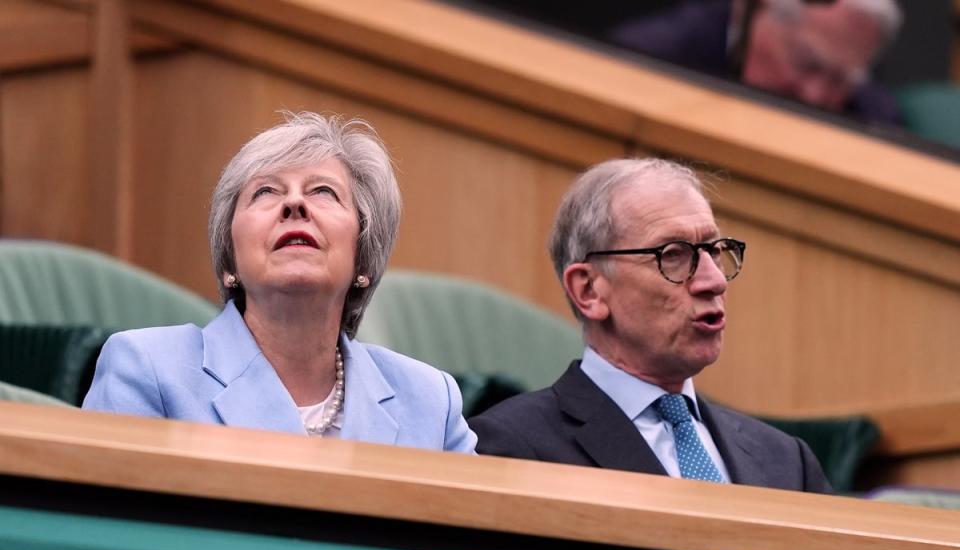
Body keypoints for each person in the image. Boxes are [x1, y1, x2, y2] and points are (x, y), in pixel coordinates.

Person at [83, 112, 476, 453]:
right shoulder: (148, 369)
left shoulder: (429, 401)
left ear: (364, 257)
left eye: (323, 191)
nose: (294, 204)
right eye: (265, 192)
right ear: (229, 261)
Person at [469, 158, 831, 492]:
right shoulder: (512, 448)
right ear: (590, 290)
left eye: (715, 251)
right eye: (673, 255)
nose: (714, 281)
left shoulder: (788, 461)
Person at [608, 0, 902, 126]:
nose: (815, 95)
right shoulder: (644, 64)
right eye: (807, 64)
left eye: (841, 80)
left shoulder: (873, 119)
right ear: (753, 12)